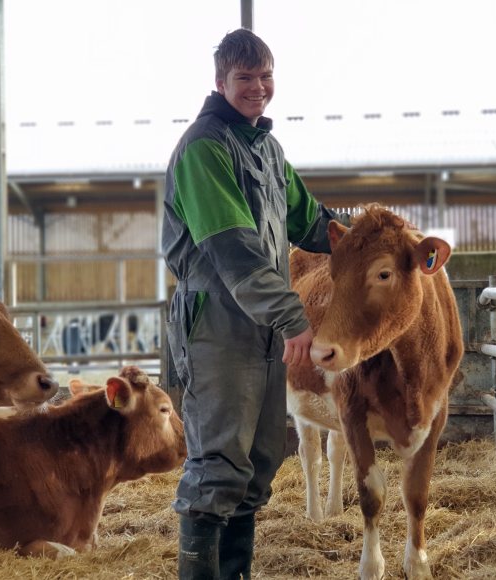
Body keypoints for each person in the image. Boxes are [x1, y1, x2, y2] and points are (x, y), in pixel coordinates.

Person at [161, 28, 349, 579]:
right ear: (220, 82)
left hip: (263, 326)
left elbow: (310, 220)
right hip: (217, 326)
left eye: (266, 76)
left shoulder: (266, 149)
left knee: (256, 467)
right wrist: (293, 316)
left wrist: (368, 236)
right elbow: (232, 248)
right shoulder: (204, 147)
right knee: (218, 466)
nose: (258, 88)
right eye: (245, 78)